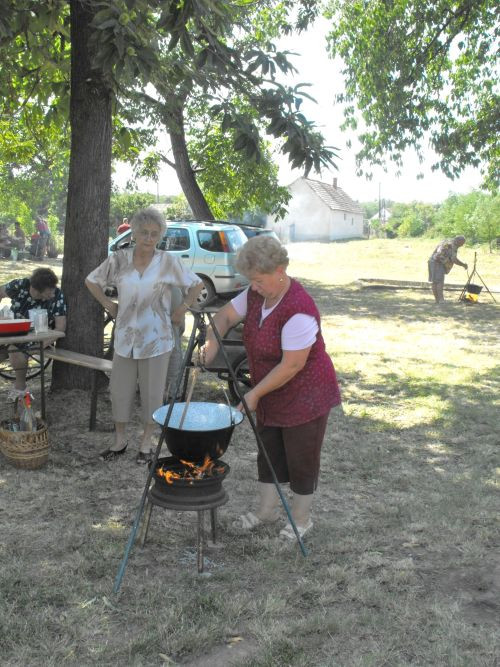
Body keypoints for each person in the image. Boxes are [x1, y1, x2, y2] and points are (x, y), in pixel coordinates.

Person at [200, 236, 341, 541]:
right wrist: (212, 341)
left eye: (259, 280)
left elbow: (291, 365)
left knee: (301, 457)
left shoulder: (298, 308)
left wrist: (253, 394)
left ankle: (301, 521)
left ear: (280, 270)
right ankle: (267, 512)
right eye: (250, 280)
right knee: (268, 451)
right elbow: (224, 316)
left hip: (306, 394)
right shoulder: (255, 294)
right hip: (270, 388)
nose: (254, 287)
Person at [86, 207, 203, 464]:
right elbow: (91, 280)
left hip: (157, 338)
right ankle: (119, 441)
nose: (149, 239)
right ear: (134, 233)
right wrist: (108, 304)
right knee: (120, 390)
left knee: (152, 393)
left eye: (154, 234)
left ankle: (146, 443)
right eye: (143, 233)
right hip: (125, 338)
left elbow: (196, 284)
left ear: (160, 235)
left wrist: (182, 308)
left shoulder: (168, 261)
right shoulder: (119, 259)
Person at [0, 268, 67, 391]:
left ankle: (20, 388)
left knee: (15, 351)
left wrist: (39, 345)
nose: (52, 293)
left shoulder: (57, 295)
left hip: (37, 336)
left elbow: (60, 328)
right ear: (36, 289)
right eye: (49, 291)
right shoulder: (21, 285)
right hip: (12, 330)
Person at [428, 236, 468, 303]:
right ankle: (441, 300)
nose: (462, 245)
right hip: (438, 262)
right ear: (458, 241)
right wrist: (463, 265)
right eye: (462, 243)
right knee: (439, 282)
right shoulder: (453, 245)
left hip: (432, 261)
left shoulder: (447, 240)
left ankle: (437, 300)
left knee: (435, 282)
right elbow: (454, 259)